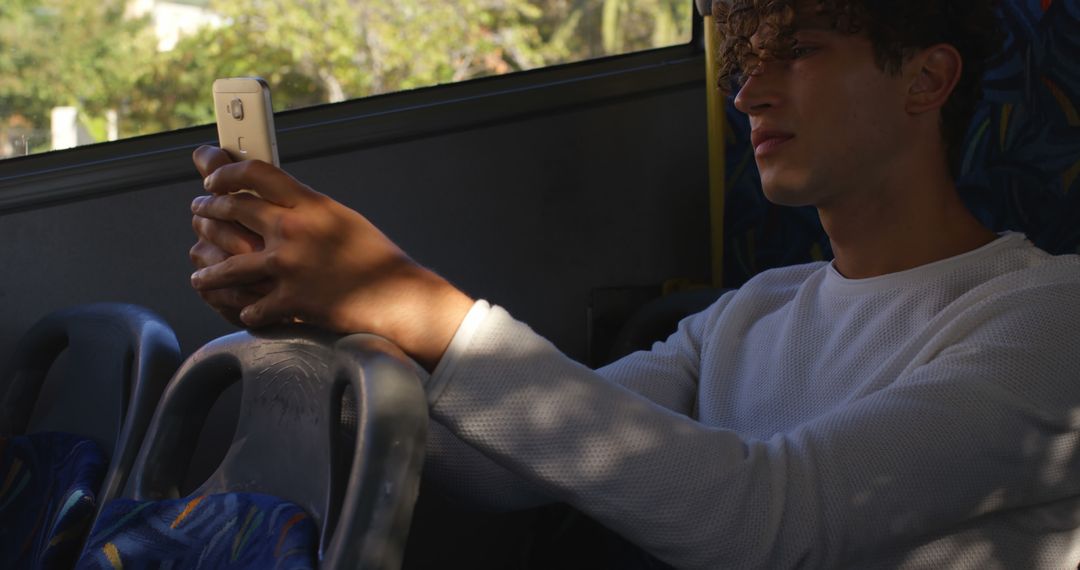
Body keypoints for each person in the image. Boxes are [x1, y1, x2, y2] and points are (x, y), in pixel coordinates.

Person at [188, 0, 1080, 567]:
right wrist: (324, 323)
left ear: (927, 78)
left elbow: (770, 521)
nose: (748, 96)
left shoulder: (1047, 315)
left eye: (797, 49)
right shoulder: (754, 311)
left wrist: (408, 298)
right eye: (743, 64)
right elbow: (507, 471)